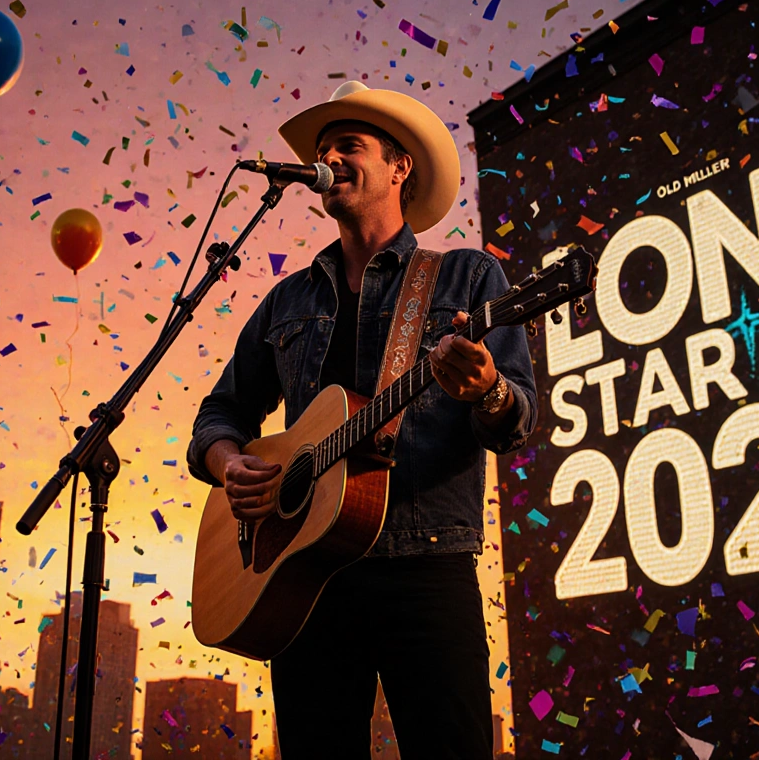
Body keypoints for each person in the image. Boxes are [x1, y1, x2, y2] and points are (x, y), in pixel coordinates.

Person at [186, 81, 536, 759]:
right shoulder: (288, 300)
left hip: (425, 566)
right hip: (301, 579)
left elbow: (515, 419)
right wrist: (231, 466)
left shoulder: (465, 279)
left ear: (400, 166)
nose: (328, 159)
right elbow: (220, 412)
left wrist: (487, 389)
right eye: (322, 150)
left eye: (348, 145)